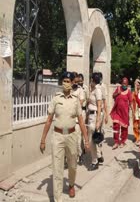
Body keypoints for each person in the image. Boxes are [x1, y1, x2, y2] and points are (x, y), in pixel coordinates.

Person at [39, 72, 90, 202]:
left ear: (72, 83)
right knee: (57, 169)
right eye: (64, 81)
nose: (65, 83)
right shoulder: (56, 99)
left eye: (68, 81)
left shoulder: (75, 100)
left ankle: (71, 184)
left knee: (72, 165)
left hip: (72, 135)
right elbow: (49, 120)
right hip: (57, 136)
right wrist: (43, 140)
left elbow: (81, 121)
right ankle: (58, 199)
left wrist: (86, 140)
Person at [110, 77, 132, 149]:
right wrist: (117, 93)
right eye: (123, 83)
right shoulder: (118, 88)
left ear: (127, 84)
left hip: (124, 113)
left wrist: (133, 111)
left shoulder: (128, 92)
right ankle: (116, 142)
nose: (124, 84)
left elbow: (131, 102)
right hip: (117, 112)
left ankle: (123, 141)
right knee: (116, 126)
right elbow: (113, 96)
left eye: (125, 83)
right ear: (121, 83)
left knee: (124, 128)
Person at [87, 72, 103, 170]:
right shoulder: (93, 90)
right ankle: (98, 155)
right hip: (92, 115)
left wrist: (98, 121)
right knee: (95, 138)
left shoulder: (97, 90)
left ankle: (95, 161)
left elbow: (99, 105)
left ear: (93, 80)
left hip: (95, 116)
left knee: (91, 140)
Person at [132, 79, 140, 146]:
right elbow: (132, 101)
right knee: (135, 126)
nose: (137, 86)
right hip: (135, 110)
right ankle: (136, 136)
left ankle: (139, 138)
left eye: (138, 85)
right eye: (136, 85)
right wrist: (132, 110)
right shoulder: (133, 92)